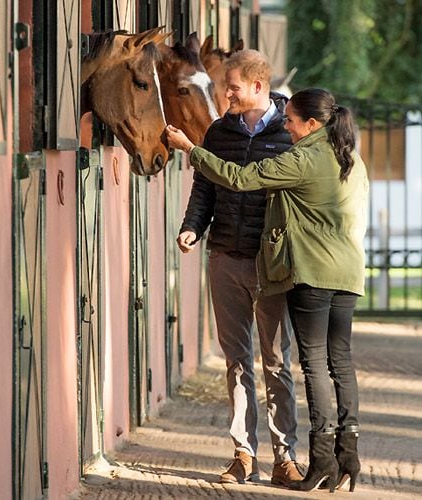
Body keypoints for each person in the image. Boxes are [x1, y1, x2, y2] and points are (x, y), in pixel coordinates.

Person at [166, 87, 368, 493]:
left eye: (292, 120)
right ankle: (349, 451)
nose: (287, 125)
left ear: (312, 124)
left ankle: (322, 459)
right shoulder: (351, 158)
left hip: (311, 273)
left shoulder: (303, 157)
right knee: (340, 362)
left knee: (311, 365)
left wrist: (190, 147)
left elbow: (240, 179)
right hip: (348, 272)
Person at [176, 49, 302, 486]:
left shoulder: (291, 133)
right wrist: (193, 227)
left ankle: (285, 457)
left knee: (277, 362)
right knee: (236, 363)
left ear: (257, 87)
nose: (224, 93)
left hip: (270, 266)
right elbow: (204, 187)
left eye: (231, 87)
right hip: (224, 257)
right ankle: (243, 455)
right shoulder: (219, 131)